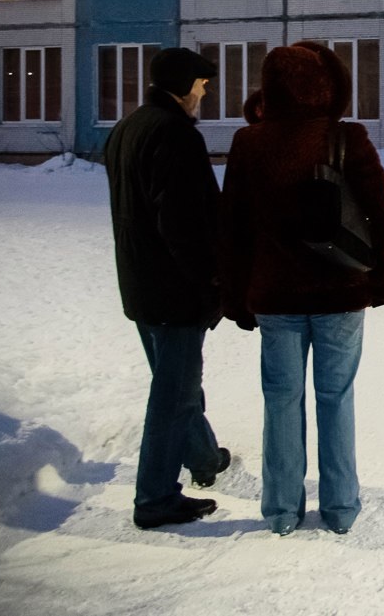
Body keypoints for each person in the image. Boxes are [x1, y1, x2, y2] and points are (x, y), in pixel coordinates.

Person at [218, 41, 384, 537]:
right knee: (336, 397)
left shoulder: (248, 143)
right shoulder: (348, 139)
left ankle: (280, 510)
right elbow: (381, 215)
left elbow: (232, 228)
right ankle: (340, 508)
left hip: (276, 296)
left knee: (280, 401)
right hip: (341, 291)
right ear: (330, 86)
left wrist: (235, 295)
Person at [105, 46, 229, 530]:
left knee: (177, 385)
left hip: (140, 284)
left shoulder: (128, 128)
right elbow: (183, 222)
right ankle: (155, 497)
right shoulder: (175, 135)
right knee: (173, 397)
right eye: (201, 84)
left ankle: (203, 458)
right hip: (173, 290)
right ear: (182, 85)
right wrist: (211, 281)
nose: (205, 92)